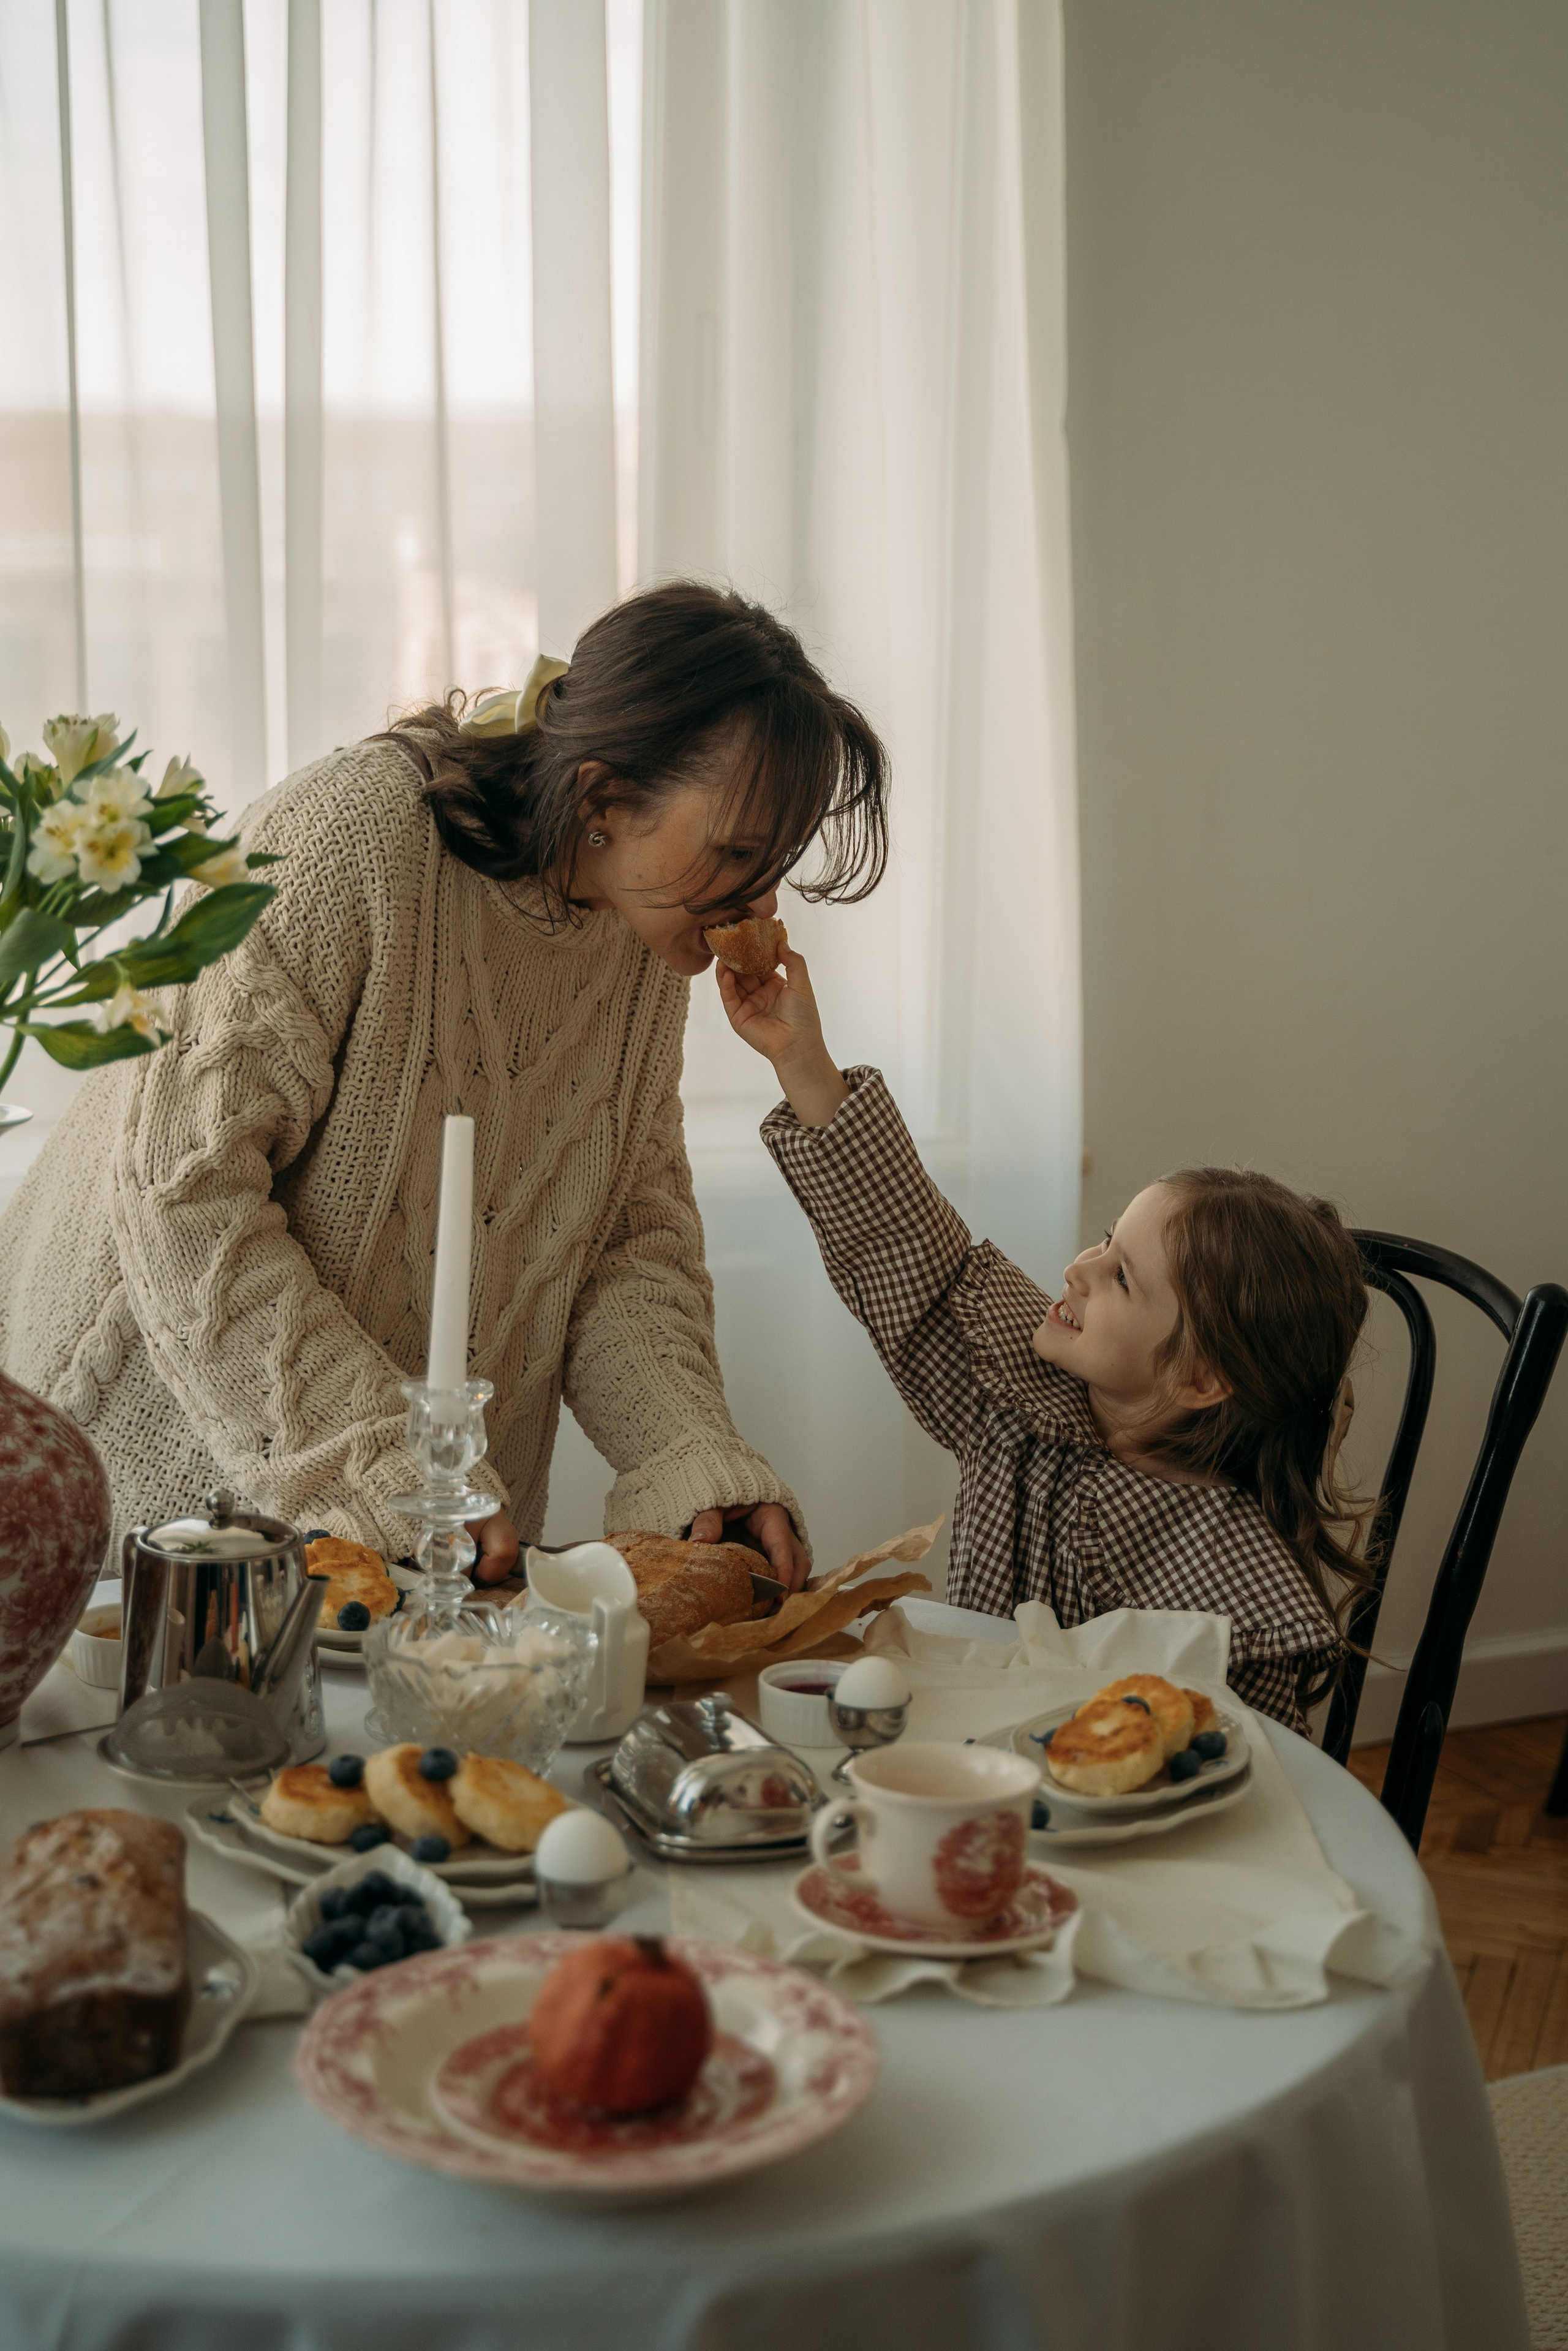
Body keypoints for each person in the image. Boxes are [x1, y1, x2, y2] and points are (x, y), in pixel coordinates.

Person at [0, 584, 889, 1588]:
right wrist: (389, 1464)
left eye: (776, 861)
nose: (761, 898)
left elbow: (622, 1239)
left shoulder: (644, 946)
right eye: (736, 852)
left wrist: (689, 1459)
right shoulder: (354, 835)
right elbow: (182, 1187)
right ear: (602, 798)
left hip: (416, 1536)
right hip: (139, 1497)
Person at [715, 946, 1374, 1729]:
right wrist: (803, 1060)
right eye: (1103, 1240)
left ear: (1201, 1378)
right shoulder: (1017, 1400)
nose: (1078, 1269)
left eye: (1122, 1277)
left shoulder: (1231, 1592)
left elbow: (1240, 1770)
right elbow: (909, 1243)